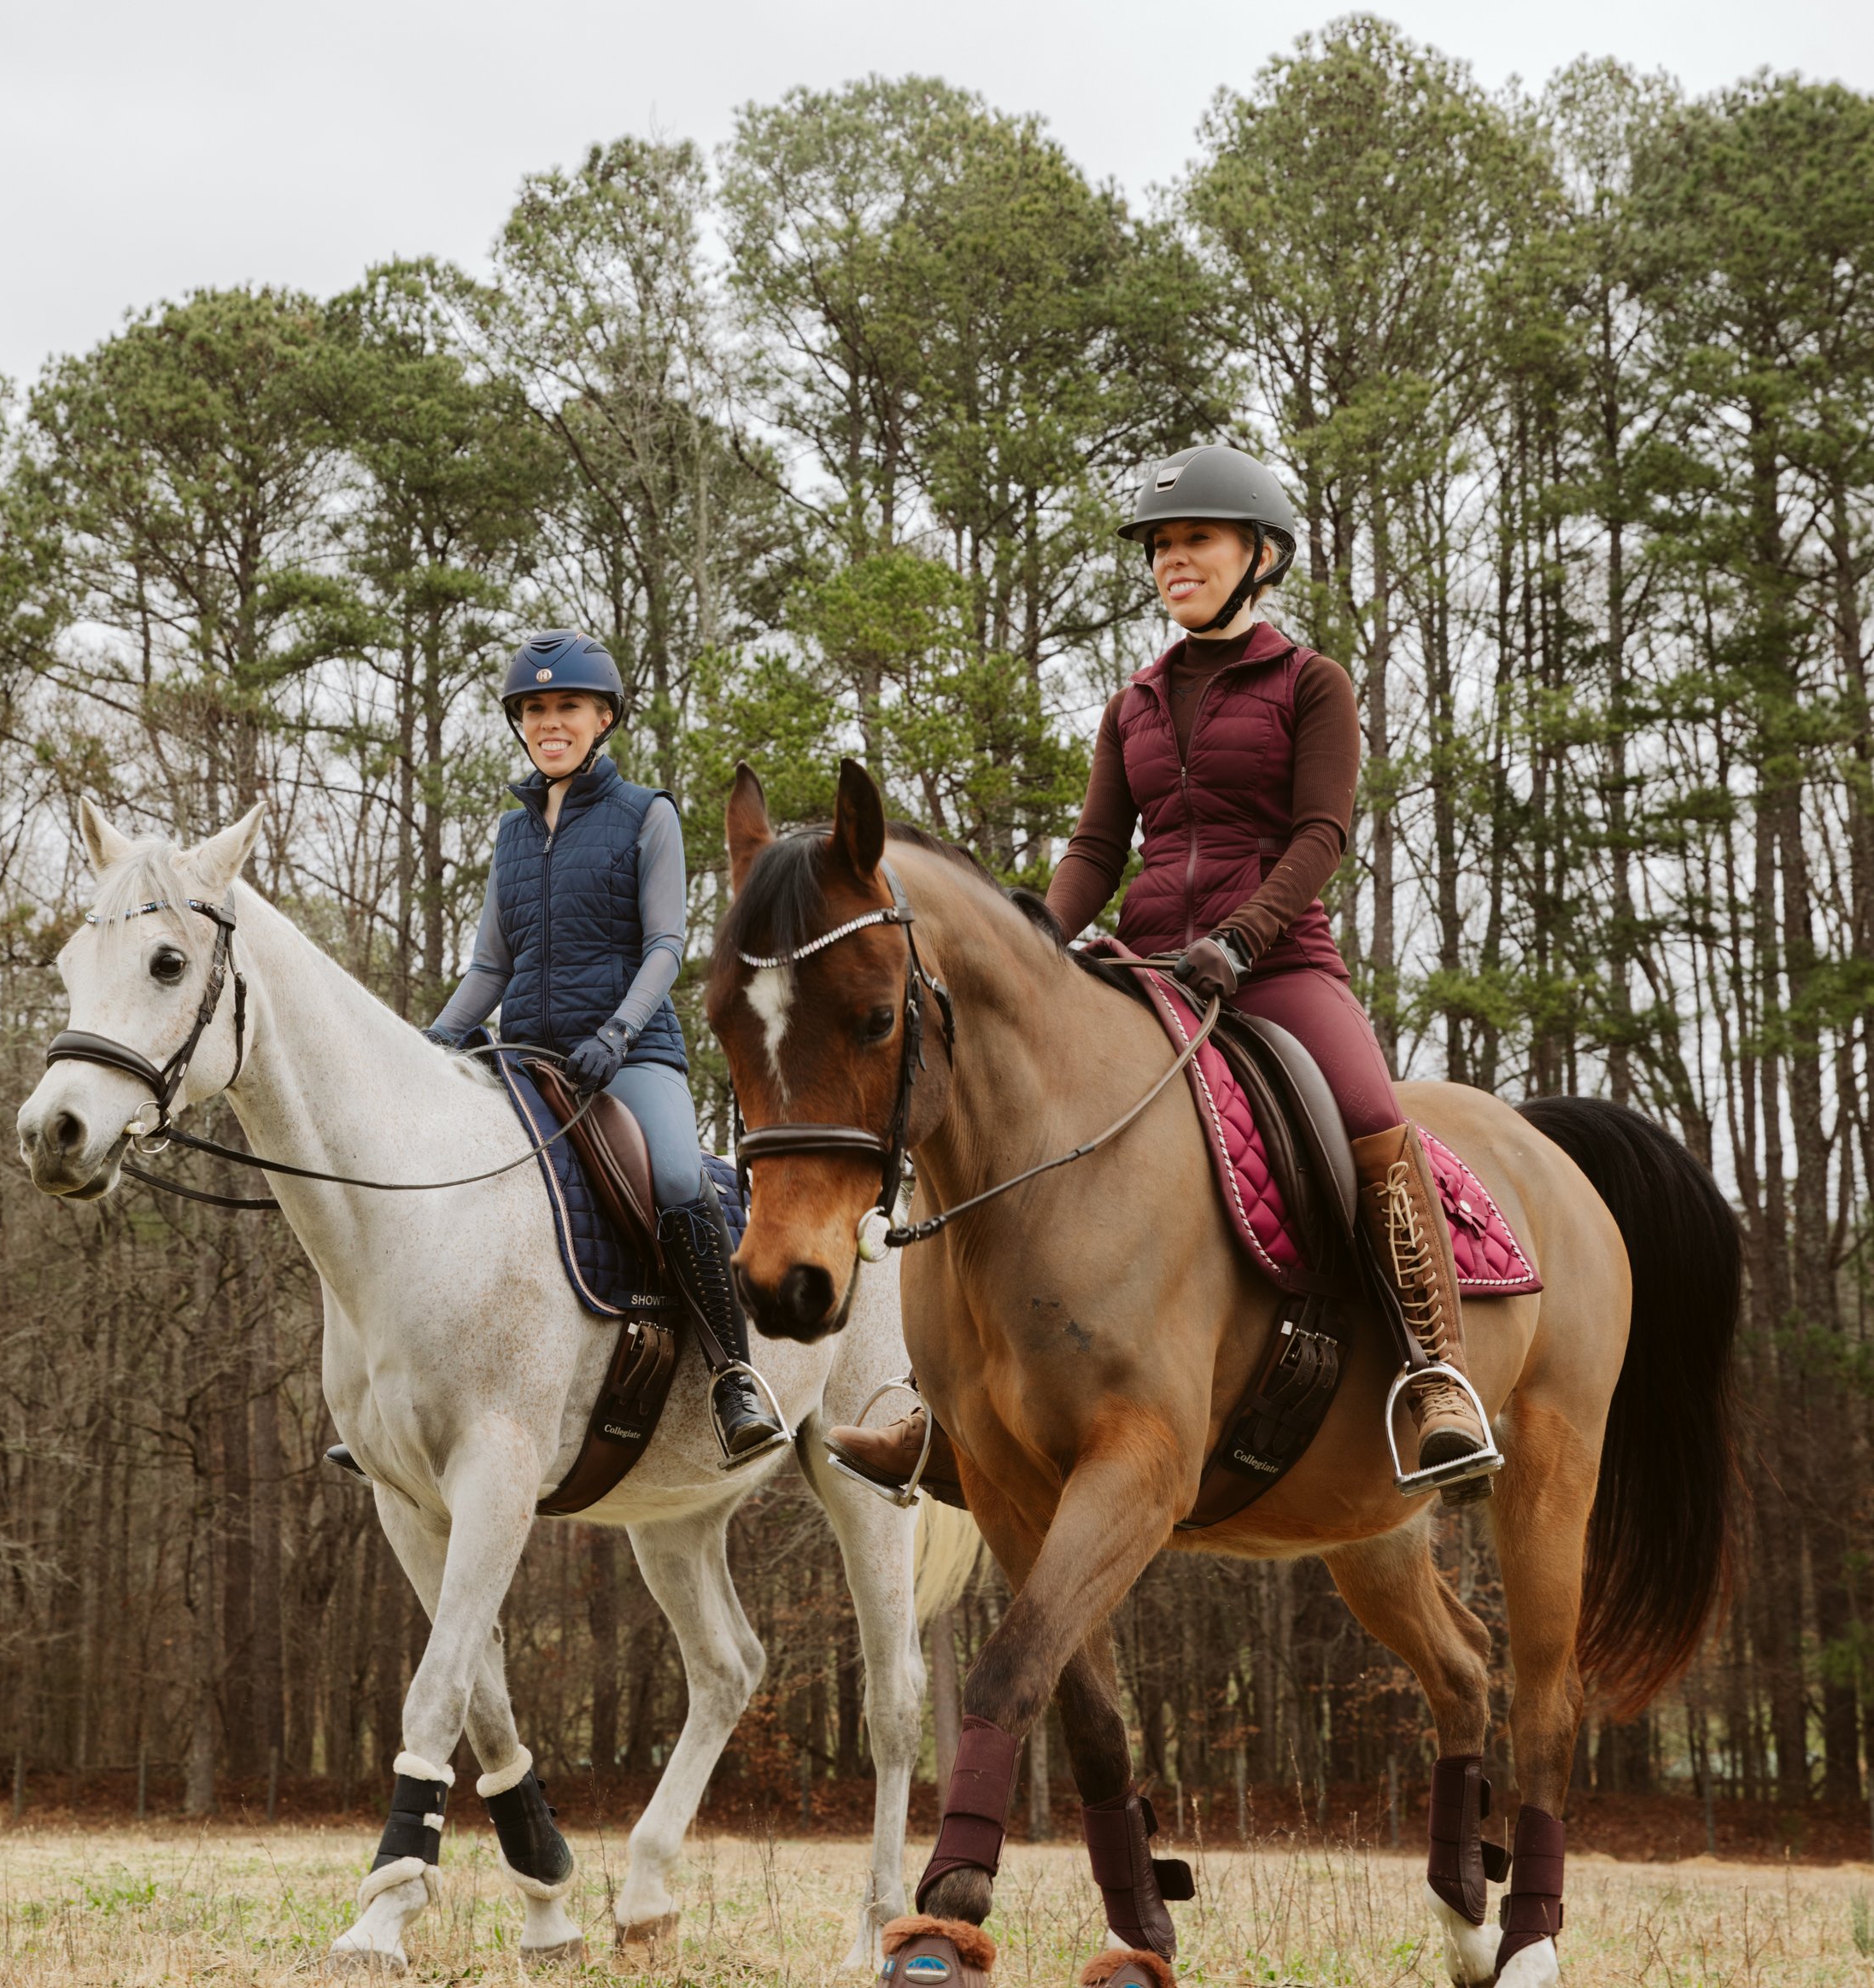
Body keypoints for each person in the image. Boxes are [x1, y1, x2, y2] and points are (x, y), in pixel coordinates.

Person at [830, 445, 1494, 1500]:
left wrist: (1243, 935)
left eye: (1196, 541)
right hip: (1144, 959)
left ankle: (1437, 1371)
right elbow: (1098, 848)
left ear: (1259, 555)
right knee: (986, 1110)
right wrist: (1033, 943)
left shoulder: (1308, 682)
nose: (1173, 561)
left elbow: (1320, 831)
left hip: (1275, 965)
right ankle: (942, 1403)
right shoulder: (1132, 702)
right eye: (1161, 547)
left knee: (1370, 1119)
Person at [425, 630, 785, 1469]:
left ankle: (732, 1375)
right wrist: (437, 1038)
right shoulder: (514, 836)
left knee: (674, 1175)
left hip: (628, 1049)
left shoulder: (644, 813)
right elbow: (491, 964)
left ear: (603, 717)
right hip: (528, 1052)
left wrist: (617, 1029)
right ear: (521, 721)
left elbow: (666, 943)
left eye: (569, 707)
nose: (552, 722)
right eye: (537, 708)